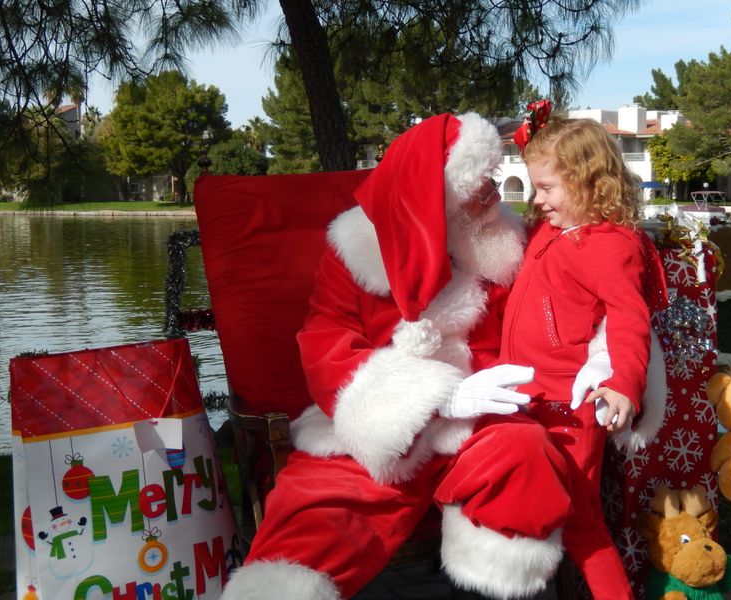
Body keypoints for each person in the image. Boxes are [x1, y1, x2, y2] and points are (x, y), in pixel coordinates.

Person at [222, 112, 586, 600]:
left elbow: (565, 305)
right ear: (436, 199)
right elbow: (325, 347)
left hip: (484, 414)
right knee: (314, 511)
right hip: (386, 428)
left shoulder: (509, 243)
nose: (495, 193)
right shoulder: (354, 252)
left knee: (524, 455)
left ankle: (496, 588)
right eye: (480, 185)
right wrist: (435, 399)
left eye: (492, 179)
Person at [498, 107, 670, 598]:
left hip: (569, 405)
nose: (538, 199)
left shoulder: (610, 246)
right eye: (536, 188)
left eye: (548, 188)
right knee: (528, 508)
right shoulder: (550, 232)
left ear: (590, 182)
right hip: (523, 395)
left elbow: (629, 321)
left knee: (580, 522)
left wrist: (623, 385)